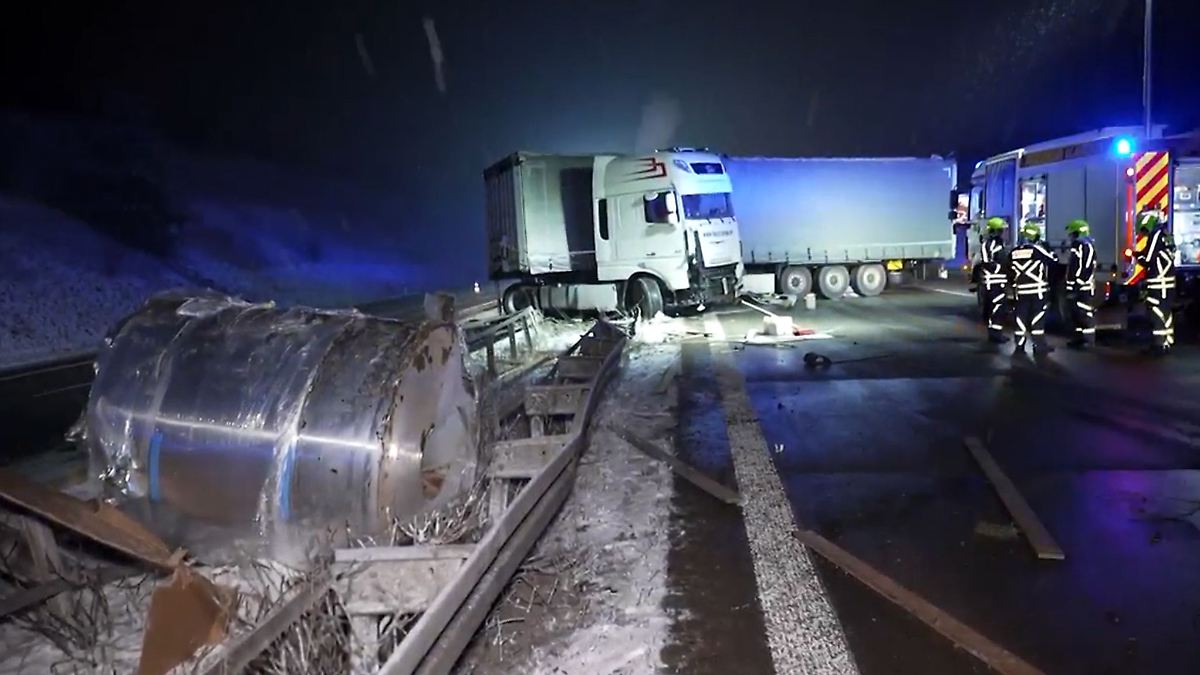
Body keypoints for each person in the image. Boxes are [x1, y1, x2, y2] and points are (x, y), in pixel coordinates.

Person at [1008, 220, 1057, 356]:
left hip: (1021, 292)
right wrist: (1050, 251)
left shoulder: (1014, 252)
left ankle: (1019, 345)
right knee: (1037, 318)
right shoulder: (1037, 250)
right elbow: (1053, 262)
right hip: (1037, 291)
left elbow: (1008, 271)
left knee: (1020, 318)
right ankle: (1039, 345)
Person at [1134, 210, 1177, 355]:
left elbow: (1148, 259)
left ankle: (1159, 345)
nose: (1144, 234)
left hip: (1158, 281)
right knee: (1165, 311)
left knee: (1155, 311)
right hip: (1168, 280)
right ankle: (1167, 342)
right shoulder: (1166, 234)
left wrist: (1135, 256)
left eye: (1144, 230)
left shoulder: (1156, 235)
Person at [1064, 219, 1097, 349]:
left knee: (1083, 313)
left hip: (1082, 287)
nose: (1070, 236)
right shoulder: (1085, 245)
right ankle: (1079, 338)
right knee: (1077, 313)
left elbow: (1077, 267)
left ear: (1077, 233)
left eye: (1071, 233)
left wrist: (1073, 284)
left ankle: (1087, 340)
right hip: (1082, 285)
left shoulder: (1081, 245)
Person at [979, 217, 1010, 343]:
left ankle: (995, 333)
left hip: (998, 281)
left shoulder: (998, 244)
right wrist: (1002, 268)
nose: (1003, 233)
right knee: (996, 307)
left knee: (998, 308)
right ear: (996, 231)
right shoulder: (988, 245)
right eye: (1002, 230)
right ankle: (995, 335)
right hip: (993, 282)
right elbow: (987, 263)